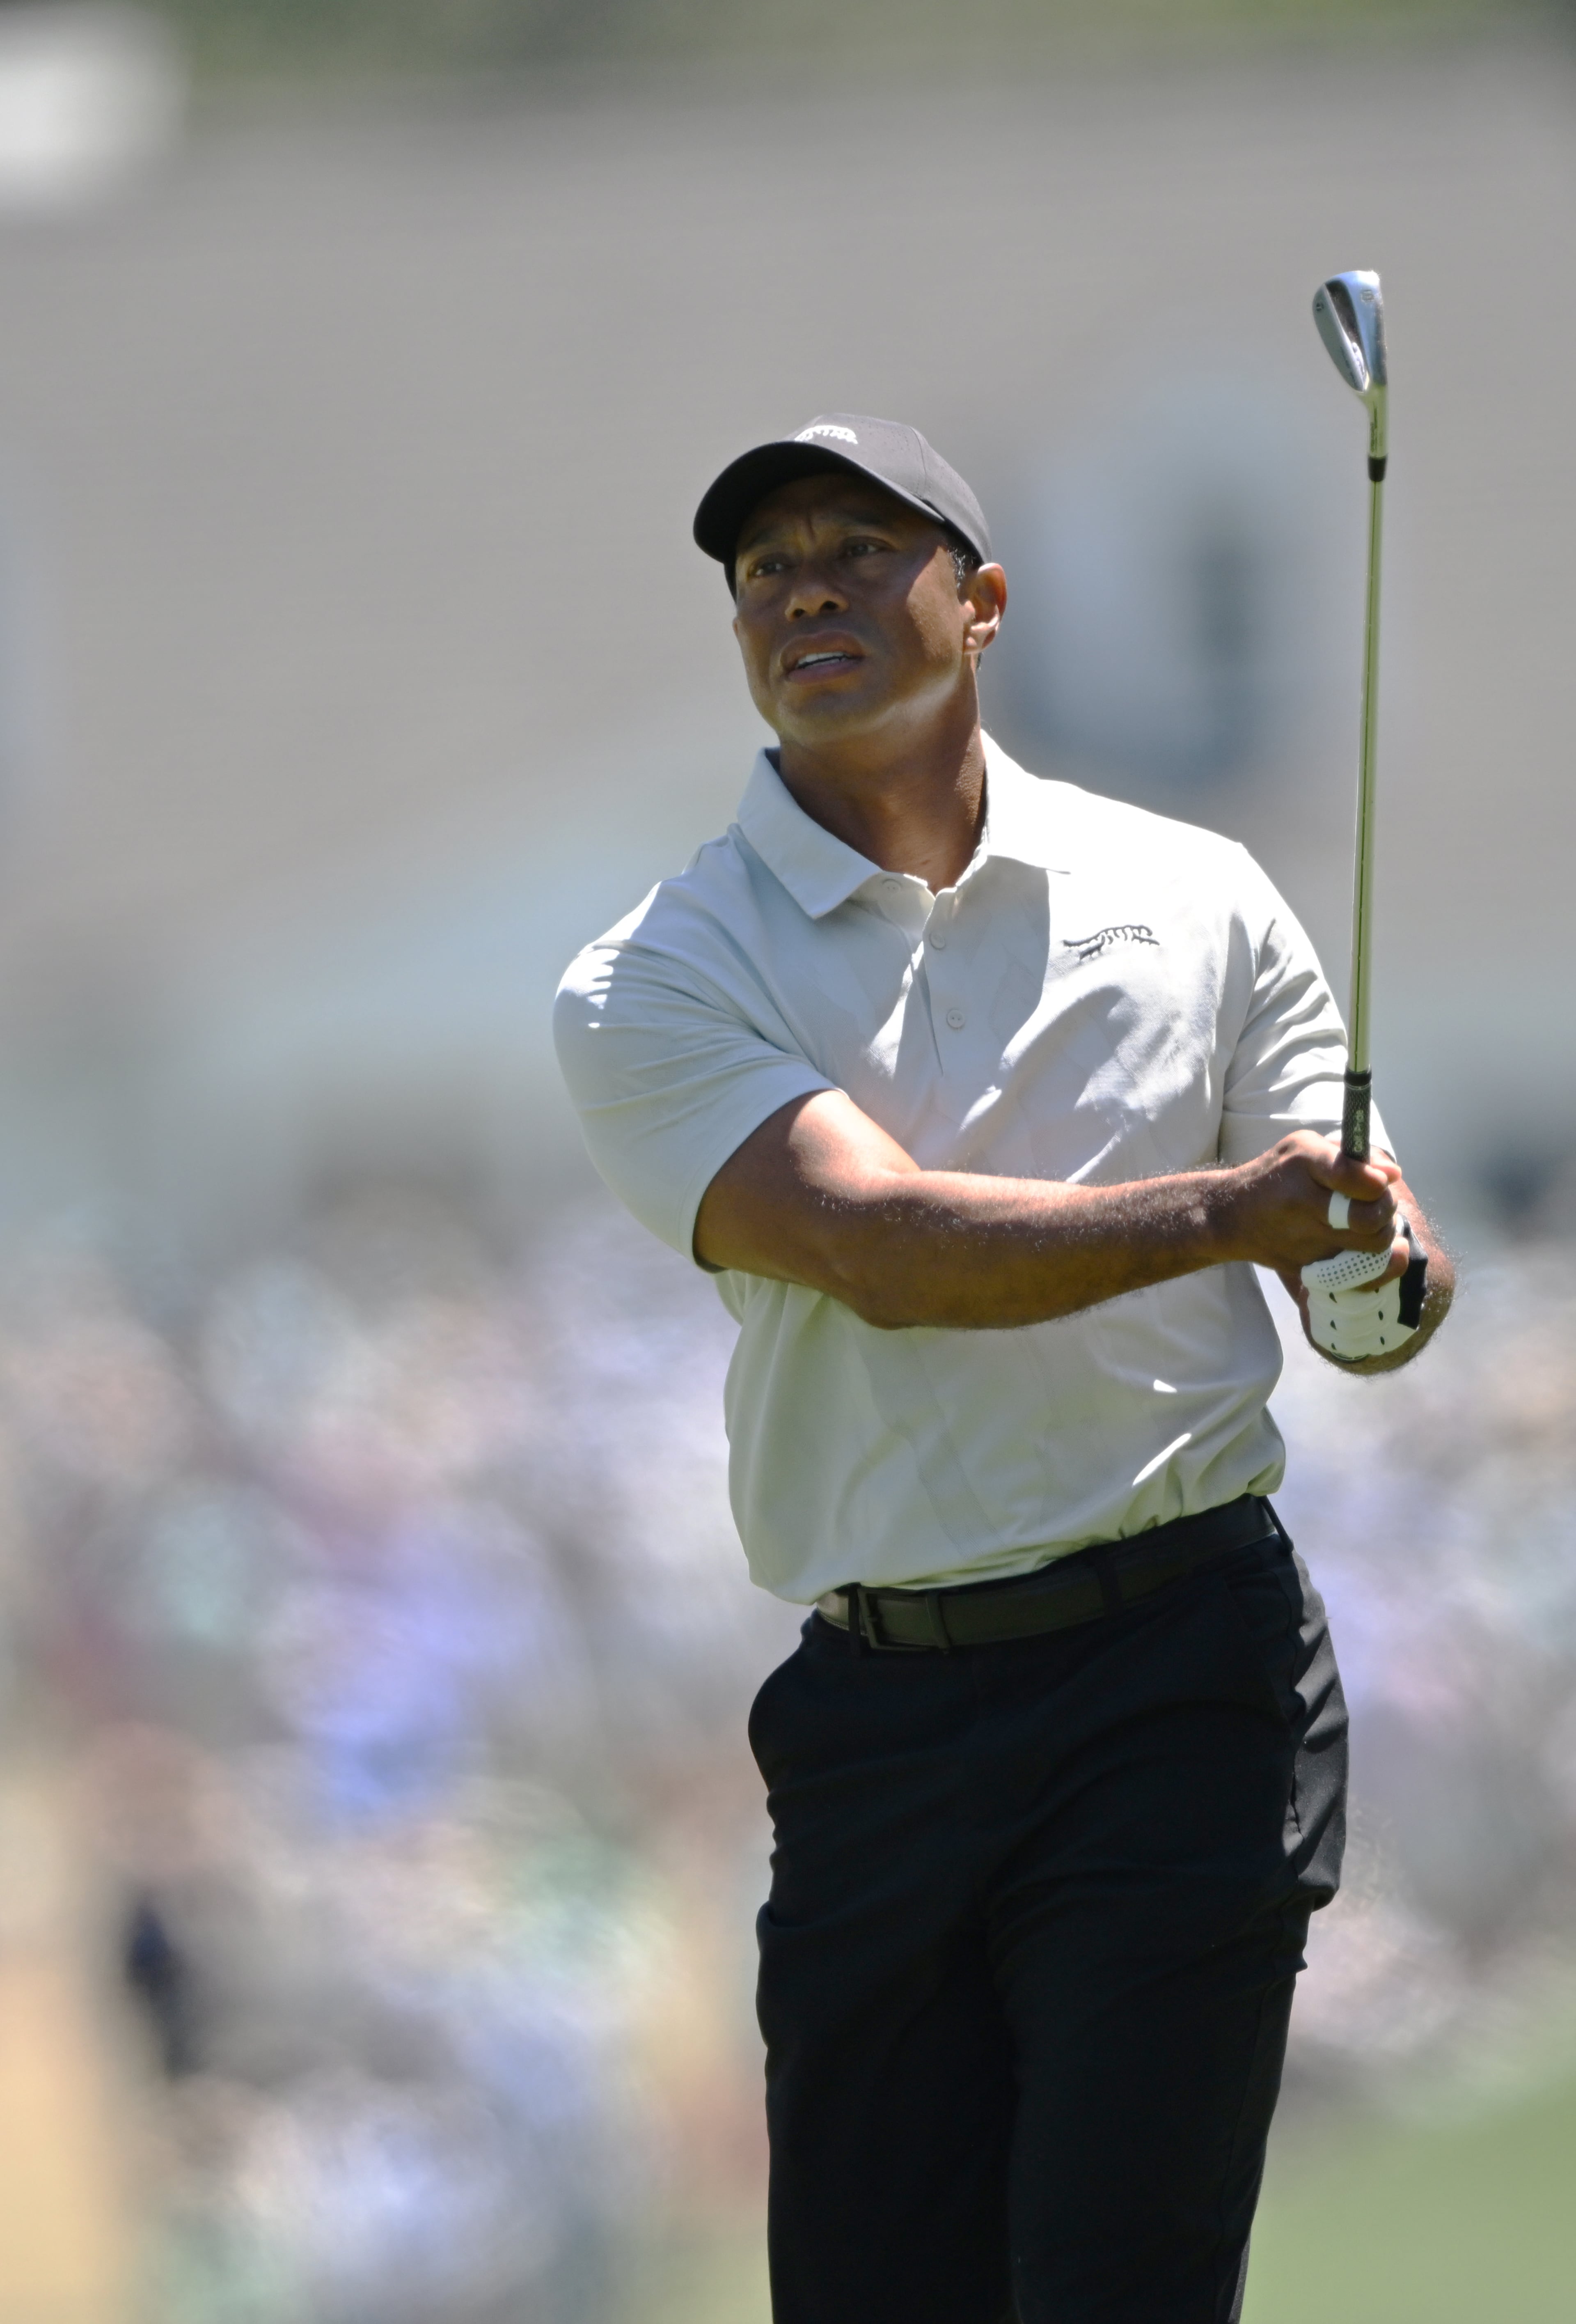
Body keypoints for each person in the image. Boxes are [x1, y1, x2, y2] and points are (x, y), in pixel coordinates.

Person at [553, 413, 1452, 2324]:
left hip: (1180, 1681)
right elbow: (878, 1253)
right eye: (765, 565)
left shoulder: (1198, 893)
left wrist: (1381, 1273)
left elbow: (1355, 1267)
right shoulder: (653, 976)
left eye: (863, 548)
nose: (805, 586)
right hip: (883, 1725)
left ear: (983, 606)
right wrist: (1244, 1218)